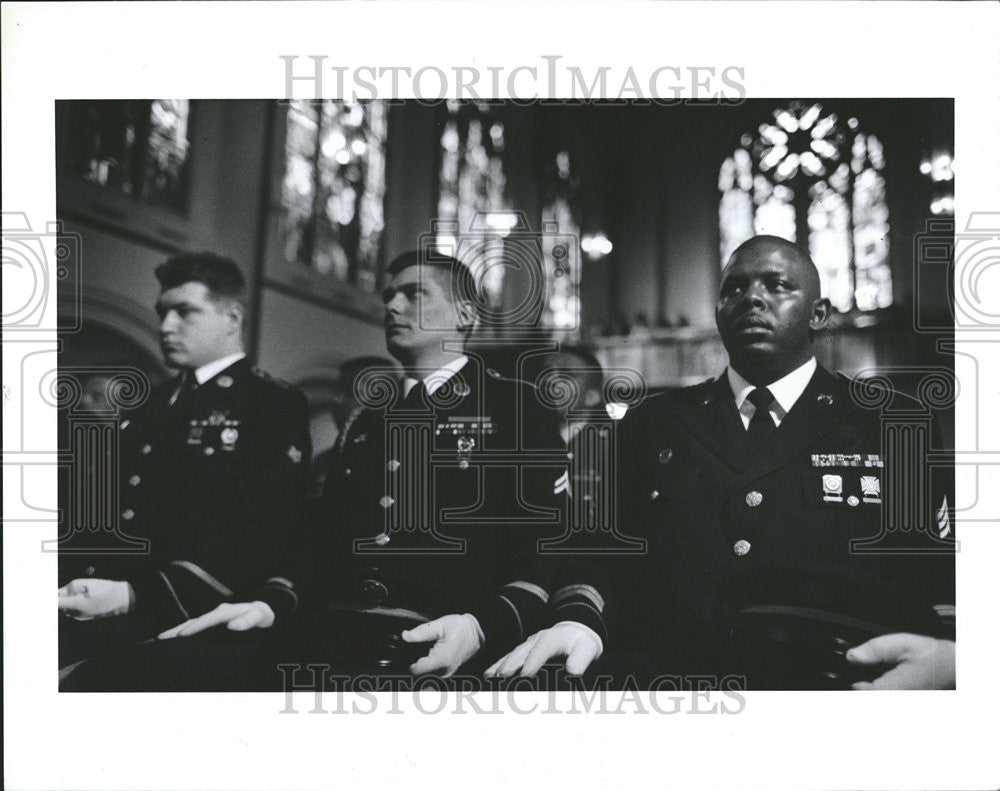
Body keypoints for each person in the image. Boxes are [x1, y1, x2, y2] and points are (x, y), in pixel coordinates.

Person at [491, 235, 955, 690]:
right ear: (717, 313)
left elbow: (933, 567)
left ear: (818, 314)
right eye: (734, 288)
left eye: (777, 285)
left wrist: (950, 653)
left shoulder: (892, 423)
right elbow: (602, 550)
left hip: (835, 678)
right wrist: (581, 622)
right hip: (672, 681)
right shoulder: (653, 422)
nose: (752, 298)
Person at [305, 250, 606, 681]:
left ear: (465, 313)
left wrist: (484, 627)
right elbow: (328, 539)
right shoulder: (366, 419)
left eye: (414, 294)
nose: (392, 306)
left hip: (457, 651)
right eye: (390, 295)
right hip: (342, 644)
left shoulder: (514, 406)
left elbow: (543, 543)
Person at [58, 252, 311, 688]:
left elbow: (265, 533)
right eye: (162, 311)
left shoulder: (268, 403)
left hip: (185, 620)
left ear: (231, 318)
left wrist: (134, 596)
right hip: (98, 607)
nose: (165, 326)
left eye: (185, 311)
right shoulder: (155, 401)